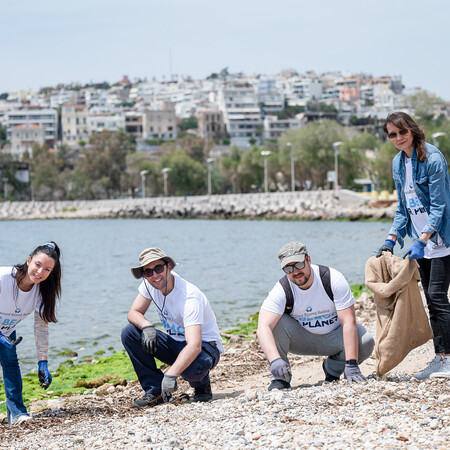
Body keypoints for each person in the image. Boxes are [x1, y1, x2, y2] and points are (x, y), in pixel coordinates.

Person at [376, 111, 450, 380]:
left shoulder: (432, 158)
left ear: (413, 130)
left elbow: (440, 205)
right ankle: (440, 357)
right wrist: (391, 239)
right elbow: (403, 207)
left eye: (402, 132)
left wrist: (423, 240)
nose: (398, 138)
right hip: (421, 241)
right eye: (392, 134)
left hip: (440, 240)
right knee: (432, 299)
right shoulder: (398, 162)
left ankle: (448, 359)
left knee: (438, 297)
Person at [257, 242, 374, 390]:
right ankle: (280, 378)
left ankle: (332, 370)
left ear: (308, 260)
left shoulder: (332, 279)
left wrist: (352, 364)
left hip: (333, 337)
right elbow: (263, 327)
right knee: (272, 323)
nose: (295, 272)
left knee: (366, 341)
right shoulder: (282, 289)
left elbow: (348, 322)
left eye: (299, 265)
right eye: (288, 268)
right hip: (300, 338)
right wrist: (275, 360)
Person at [121, 247, 223, 407]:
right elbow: (133, 312)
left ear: (169, 267)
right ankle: (154, 391)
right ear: (144, 276)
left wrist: (170, 375)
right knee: (130, 333)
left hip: (205, 348)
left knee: (195, 367)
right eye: (148, 272)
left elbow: (194, 345)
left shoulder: (189, 296)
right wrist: (147, 326)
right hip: (175, 343)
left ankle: (202, 384)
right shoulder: (149, 286)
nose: (155, 275)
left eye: (158, 268)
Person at [0, 242, 61, 425]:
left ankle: (17, 415)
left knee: (11, 365)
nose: (40, 272)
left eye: (47, 269)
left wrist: (43, 362)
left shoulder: (42, 292)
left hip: (6, 331)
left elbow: (41, 328)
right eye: (37, 265)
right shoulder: (3, 278)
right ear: (28, 261)